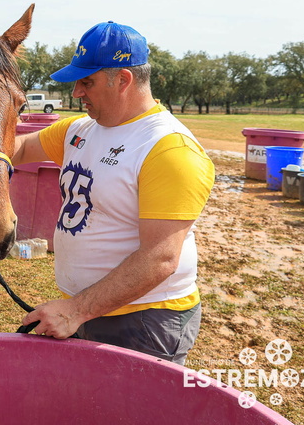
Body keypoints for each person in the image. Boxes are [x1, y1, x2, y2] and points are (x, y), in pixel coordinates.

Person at [16, 21, 215, 365]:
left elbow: (160, 258)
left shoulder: (168, 148)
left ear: (123, 79)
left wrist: (76, 310)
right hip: (89, 309)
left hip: (143, 318)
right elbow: (18, 150)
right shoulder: (81, 129)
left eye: (87, 81)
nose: (77, 92)